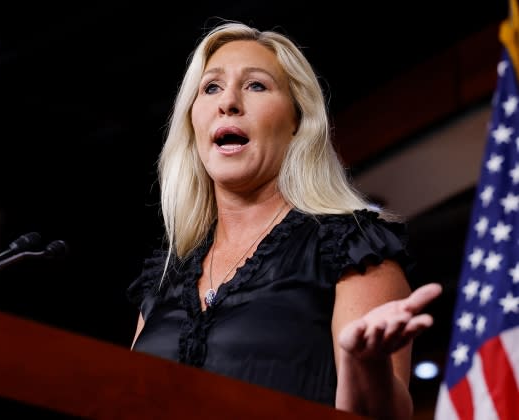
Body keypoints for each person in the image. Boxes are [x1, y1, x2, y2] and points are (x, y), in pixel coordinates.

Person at [126, 20, 442, 420]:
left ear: (297, 122)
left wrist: (366, 366)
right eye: (211, 87)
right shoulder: (166, 274)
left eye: (256, 85)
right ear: (192, 121)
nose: (229, 102)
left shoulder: (352, 246)